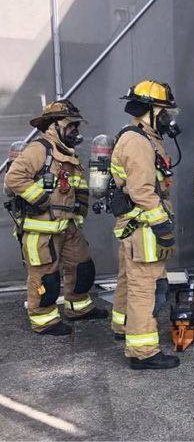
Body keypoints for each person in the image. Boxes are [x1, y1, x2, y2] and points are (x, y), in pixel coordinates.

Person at [4, 100, 107, 335]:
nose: (76, 131)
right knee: (45, 278)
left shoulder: (66, 154)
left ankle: (78, 308)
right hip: (42, 229)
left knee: (82, 267)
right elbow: (14, 178)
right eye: (71, 126)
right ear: (54, 126)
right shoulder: (40, 149)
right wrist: (40, 199)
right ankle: (44, 321)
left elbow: (75, 187)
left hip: (67, 226)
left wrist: (80, 208)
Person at [109, 80, 182, 370]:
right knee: (144, 289)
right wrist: (163, 227)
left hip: (137, 227)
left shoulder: (145, 137)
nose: (168, 118)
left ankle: (124, 329)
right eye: (164, 112)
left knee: (130, 282)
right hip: (144, 229)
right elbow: (142, 191)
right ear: (149, 110)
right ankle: (143, 353)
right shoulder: (137, 141)